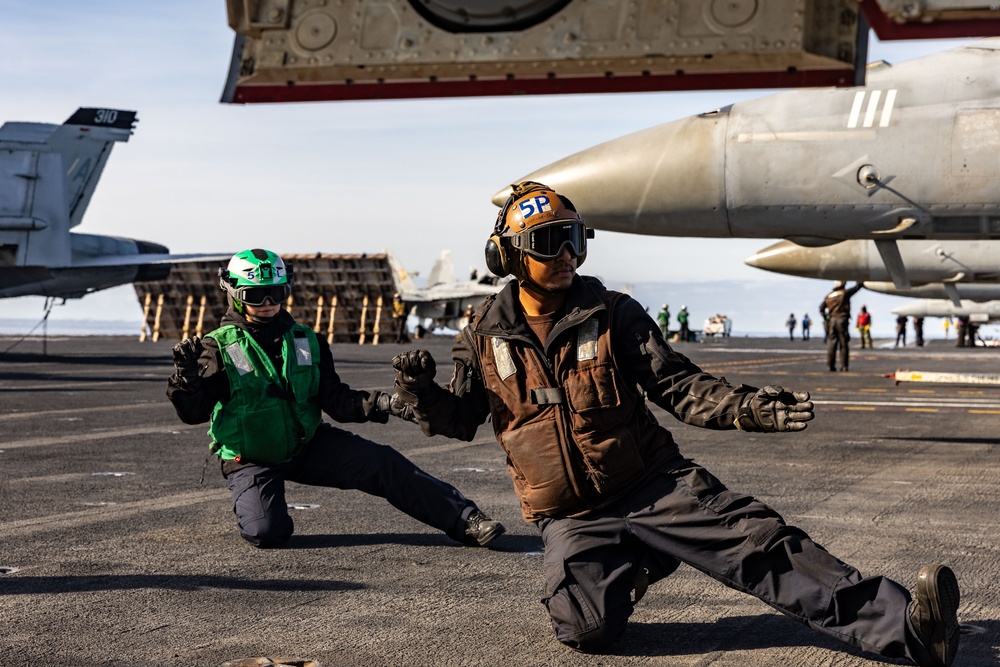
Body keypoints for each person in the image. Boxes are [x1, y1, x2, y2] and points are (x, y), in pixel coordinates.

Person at [389, 182, 960, 667]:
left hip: (653, 484)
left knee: (761, 545)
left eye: (575, 239)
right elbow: (458, 419)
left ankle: (909, 628)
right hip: (570, 515)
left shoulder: (612, 313)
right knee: (585, 630)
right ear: (508, 256)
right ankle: (645, 558)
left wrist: (746, 408)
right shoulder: (482, 334)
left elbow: (678, 386)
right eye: (548, 242)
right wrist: (420, 394)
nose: (566, 253)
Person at [166, 249, 504, 549]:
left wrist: (387, 403)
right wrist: (186, 378)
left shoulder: (306, 341)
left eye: (276, 293)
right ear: (235, 295)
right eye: (256, 295)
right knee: (267, 533)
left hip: (307, 445)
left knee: (383, 462)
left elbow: (336, 399)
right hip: (250, 457)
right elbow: (193, 413)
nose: (268, 303)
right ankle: (263, 509)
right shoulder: (217, 347)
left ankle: (466, 520)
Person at [819, 281, 863, 372]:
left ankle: (830, 366)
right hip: (842, 320)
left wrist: (826, 317)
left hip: (832, 321)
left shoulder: (829, 296)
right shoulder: (845, 293)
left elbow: (821, 308)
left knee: (832, 344)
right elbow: (857, 287)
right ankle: (844, 366)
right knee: (843, 343)